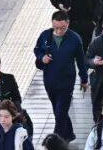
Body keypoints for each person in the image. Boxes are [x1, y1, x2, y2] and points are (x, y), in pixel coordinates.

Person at [34, 12, 88, 142]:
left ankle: (54, 142)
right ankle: (69, 134)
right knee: (58, 110)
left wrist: (84, 79)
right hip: (49, 80)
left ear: (68, 24)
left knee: (60, 113)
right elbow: (37, 50)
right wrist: (42, 57)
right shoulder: (45, 35)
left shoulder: (75, 39)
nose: (59, 31)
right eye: (56, 27)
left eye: (62, 28)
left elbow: (81, 60)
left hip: (66, 82)